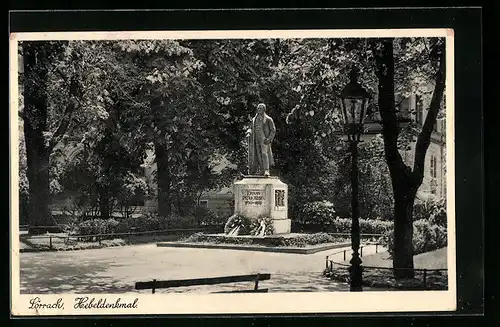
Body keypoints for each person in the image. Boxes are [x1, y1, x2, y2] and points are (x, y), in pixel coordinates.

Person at [247, 103, 276, 176]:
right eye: (258, 108)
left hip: (264, 139)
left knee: (264, 154)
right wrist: (248, 132)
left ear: (264, 109)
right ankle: (261, 170)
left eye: (260, 108)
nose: (259, 110)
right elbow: (250, 128)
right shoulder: (254, 119)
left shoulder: (268, 119)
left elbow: (273, 130)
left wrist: (269, 139)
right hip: (256, 139)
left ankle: (266, 170)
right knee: (257, 154)